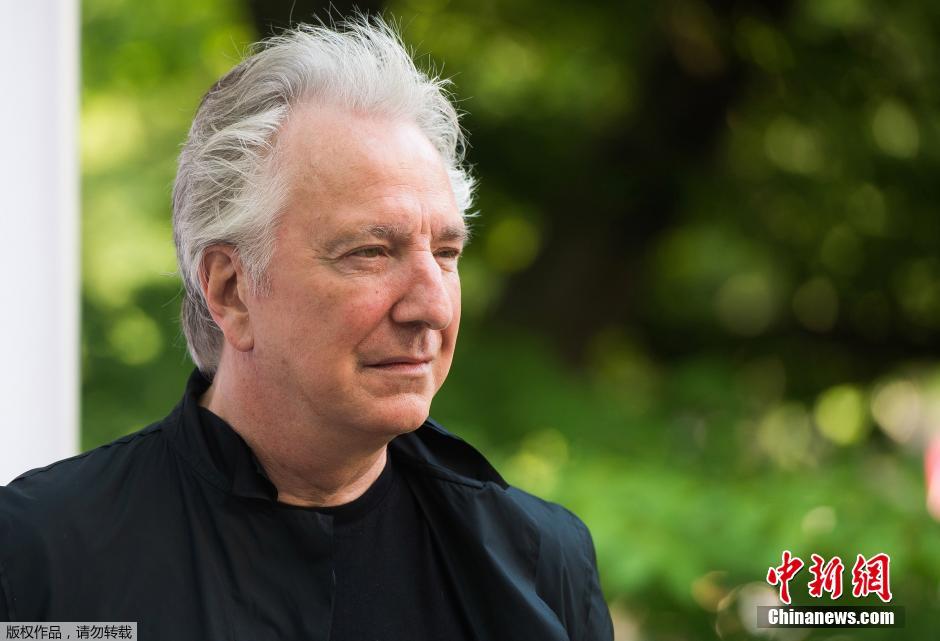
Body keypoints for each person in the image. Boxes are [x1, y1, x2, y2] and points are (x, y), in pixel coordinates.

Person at [0, 17, 613, 640]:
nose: (432, 305)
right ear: (231, 291)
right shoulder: (38, 558)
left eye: (446, 253)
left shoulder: (540, 563)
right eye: (371, 252)